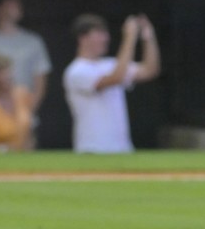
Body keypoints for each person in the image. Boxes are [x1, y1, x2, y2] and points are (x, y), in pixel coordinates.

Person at [63, 14, 160, 154]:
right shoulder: (76, 71)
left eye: (105, 34)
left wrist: (148, 36)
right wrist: (129, 37)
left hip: (122, 149)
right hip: (92, 149)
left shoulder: (110, 64)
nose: (105, 39)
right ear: (83, 38)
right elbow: (116, 78)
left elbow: (150, 70)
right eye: (99, 34)